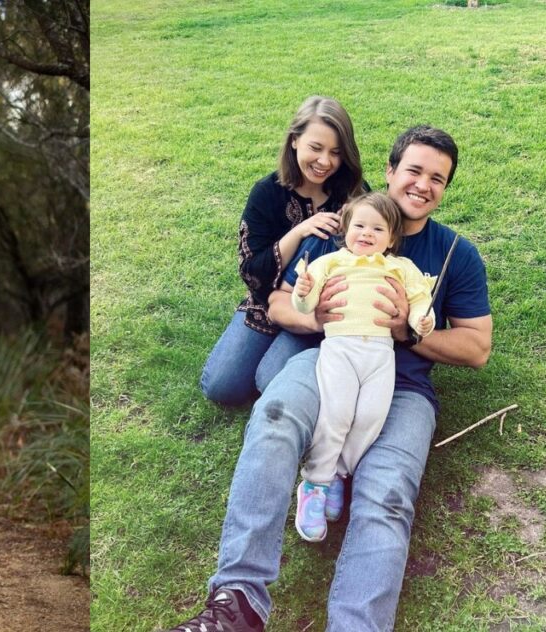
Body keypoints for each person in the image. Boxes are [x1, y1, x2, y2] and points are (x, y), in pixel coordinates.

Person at [165, 126, 491, 631]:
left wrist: (408, 330)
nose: (423, 185)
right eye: (414, 170)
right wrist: (317, 318)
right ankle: (238, 603)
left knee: (385, 494)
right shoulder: (343, 228)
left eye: (438, 178)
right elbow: (276, 301)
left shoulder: (454, 254)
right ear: (390, 171)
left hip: (402, 390)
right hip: (326, 360)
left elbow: (476, 347)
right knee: (272, 418)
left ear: (445, 188)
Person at [200, 95, 365, 407]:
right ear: (294, 141)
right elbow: (251, 271)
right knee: (221, 387)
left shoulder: (353, 194)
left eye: (336, 152)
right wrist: (300, 230)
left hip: (319, 307)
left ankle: (299, 363)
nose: (325, 161)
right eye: (315, 148)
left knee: (270, 377)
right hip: (267, 301)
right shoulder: (267, 193)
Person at [290, 191, 434, 543]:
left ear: (391, 238)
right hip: (340, 349)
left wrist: (421, 319)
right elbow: (305, 306)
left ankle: (338, 473)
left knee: (371, 416)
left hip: (381, 354)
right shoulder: (331, 263)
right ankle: (314, 483)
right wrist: (304, 290)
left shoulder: (398, 267)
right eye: (360, 226)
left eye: (377, 229)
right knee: (336, 413)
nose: (367, 234)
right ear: (345, 229)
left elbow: (418, 298)